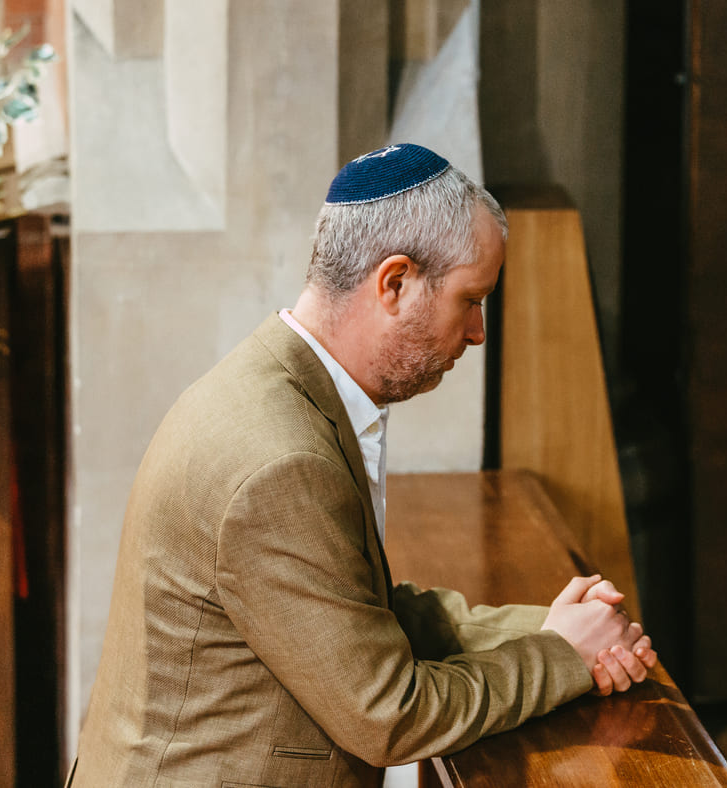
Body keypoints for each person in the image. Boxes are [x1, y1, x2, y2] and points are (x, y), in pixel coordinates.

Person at [69, 144, 657, 787]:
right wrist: (562, 655)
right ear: (395, 282)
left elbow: (361, 612)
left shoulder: (284, 388)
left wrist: (552, 626)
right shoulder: (277, 459)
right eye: (471, 298)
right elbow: (390, 714)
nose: (479, 331)